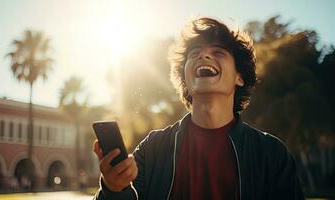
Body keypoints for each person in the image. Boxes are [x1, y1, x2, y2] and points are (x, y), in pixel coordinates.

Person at [92, 17, 305, 200]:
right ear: (185, 77)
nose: (203, 56)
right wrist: (113, 188)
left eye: (218, 52)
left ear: (239, 77)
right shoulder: (152, 149)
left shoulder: (272, 154)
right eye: (194, 53)